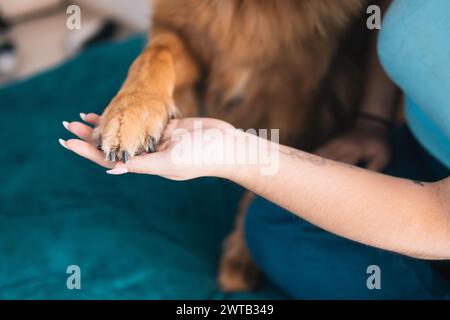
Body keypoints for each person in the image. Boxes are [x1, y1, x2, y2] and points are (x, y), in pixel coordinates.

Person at [59, 0, 450, 298]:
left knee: (276, 239)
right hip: (417, 136)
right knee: (272, 226)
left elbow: (440, 217)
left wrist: (245, 161)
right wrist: (372, 121)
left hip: (439, 211)